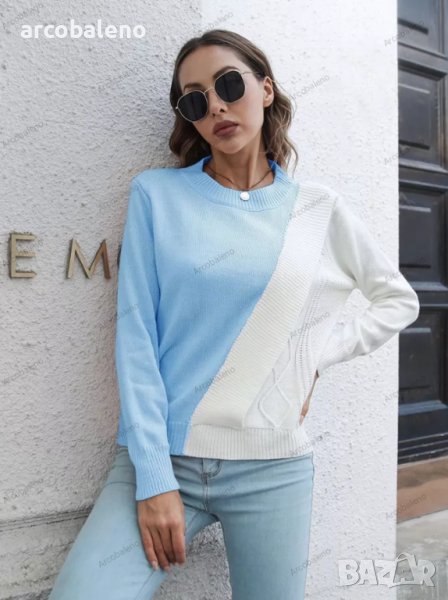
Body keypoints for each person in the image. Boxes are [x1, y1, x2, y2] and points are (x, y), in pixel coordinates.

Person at [48, 29, 420, 600]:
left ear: (265, 89)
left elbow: (397, 299)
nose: (216, 107)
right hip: (163, 458)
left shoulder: (317, 209)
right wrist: (154, 479)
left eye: (228, 85)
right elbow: (136, 338)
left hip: (273, 466)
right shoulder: (156, 195)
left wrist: (311, 355)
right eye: (194, 101)